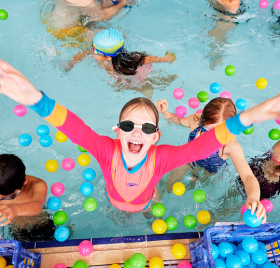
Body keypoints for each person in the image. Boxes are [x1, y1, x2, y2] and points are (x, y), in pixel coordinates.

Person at [1, 60, 279, 221]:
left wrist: (251, 116)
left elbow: (203, 146)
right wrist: (37, 100)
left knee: (152, 209)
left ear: (156, 137)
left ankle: (147, 213)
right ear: (117, 131)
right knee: (118, 211)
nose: (136, 132)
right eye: (127, 125)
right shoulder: (106, 150)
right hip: (114, 198)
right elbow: (76, 128)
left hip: (146, 200)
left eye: (147, 127)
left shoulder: (162, 157)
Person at [156, 97, 263, 218]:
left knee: (204, 191)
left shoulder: (231, 146)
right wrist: (165, 112)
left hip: (210, 168)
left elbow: (248, 176)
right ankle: (167, 193)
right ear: (202, 120)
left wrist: (253, 197)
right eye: (207, 130)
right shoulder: (195, 120)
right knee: (170, 181)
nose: (213, 137)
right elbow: (178, 120)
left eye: (220, 133)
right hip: (189, 159)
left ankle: (194, 180)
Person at [67, 29, 176, 75]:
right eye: (92, 45)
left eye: (94, 49)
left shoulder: (123, 64)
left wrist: (165, 59)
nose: (91, 49)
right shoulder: (109, 55)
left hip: (134, 76)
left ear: (108, 57)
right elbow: (82, 54)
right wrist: (70, 64)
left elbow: (145, 59)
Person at [40, 0, 128, 48]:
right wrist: (122, 3)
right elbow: (102, 17)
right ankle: (72, 61)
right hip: (66, 33)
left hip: (52, 21)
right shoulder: (88, 2)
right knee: (117, 38)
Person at [0, 154, 47, 226]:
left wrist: (14, 209)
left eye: (6, 198)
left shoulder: (37, 185)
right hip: (13, 227)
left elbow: (38, 206)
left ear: (24, 182)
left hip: (38, 224)